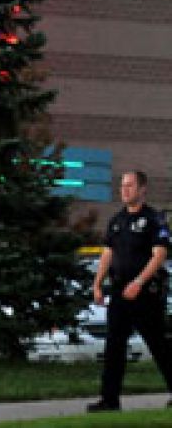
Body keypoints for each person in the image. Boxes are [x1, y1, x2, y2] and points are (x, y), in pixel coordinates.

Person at [88, 170, 172, 412]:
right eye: (122, 186)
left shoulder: (154, 219)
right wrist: (97, 284)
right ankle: (109, 399)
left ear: (142, 189)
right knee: (113, 346)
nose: (124, 190)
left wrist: (139, 282)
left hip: (146, 293)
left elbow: (160, 255)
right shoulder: (117, 221)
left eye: (130, 185)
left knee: (159, 345)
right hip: (119, 292)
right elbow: (107, 254)